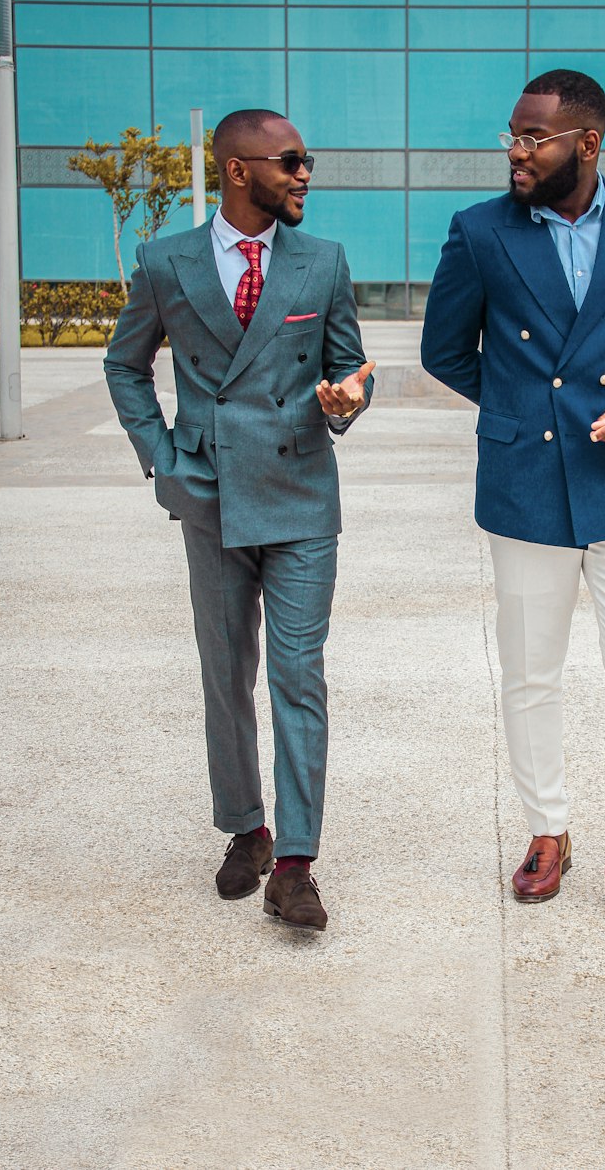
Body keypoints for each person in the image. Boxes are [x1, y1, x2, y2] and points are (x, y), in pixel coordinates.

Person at [421, 70, 605, 921]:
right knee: (531, 673)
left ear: (586, 143)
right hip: (526, 487)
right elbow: (446, 350)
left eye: (532, 137)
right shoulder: (479, 231)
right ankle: (548, 830)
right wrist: (522, 412)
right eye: (510, 134)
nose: (515, 151)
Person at [105, 108, 373, 933]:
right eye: (290, 161)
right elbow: (125, 364)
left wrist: (349, 398)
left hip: (299, 499)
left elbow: (349, 365)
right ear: (237, 170)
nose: (303, 175)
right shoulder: (165, 261)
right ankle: (246, 830)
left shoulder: (321, 262)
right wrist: (166, 459)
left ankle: (295, 863)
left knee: (299, 677)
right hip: (211, 496)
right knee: (226, 677)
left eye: (307, 160)